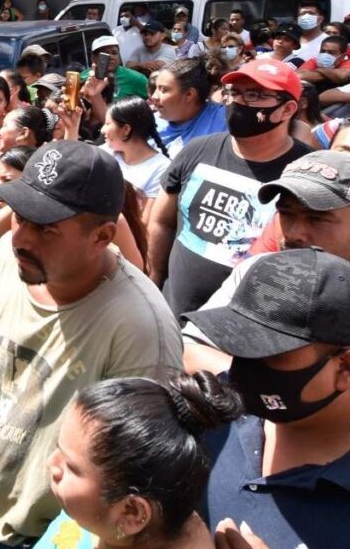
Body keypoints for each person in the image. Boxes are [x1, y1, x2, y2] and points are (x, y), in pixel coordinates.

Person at [0, 141, 182, 548]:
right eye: (20, 217)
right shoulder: (8, 255)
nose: (21, 237)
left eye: (46, 227)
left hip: (49, 534)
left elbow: (132, 469)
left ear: (103, 236)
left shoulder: (140, 328)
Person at [182, 248, 350, 549]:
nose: (246, 368)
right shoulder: (216, 411)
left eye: (271, 353)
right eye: (240, 346)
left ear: (345, 366)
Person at [148, 58, 313, 317]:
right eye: (234, 92)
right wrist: (155, 279)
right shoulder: (198, 149)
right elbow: (162, 221)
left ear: (287, 109)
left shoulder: (305, 173)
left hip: (243, 329)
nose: (238, 102)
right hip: (172, 315)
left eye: (254, 95)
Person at [181, 150, 350, 374]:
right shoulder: (262, 271)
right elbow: (190, 349)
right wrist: (267, 391)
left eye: (317, 219)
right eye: (286, 214)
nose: (294, 233)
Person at [35, 371, 241, 548]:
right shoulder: (103, 520)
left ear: (132, 512)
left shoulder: (104, 522)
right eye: (58, 449)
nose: (52, 464)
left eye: (71, 467)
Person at [102, 97, 172, 221]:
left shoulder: (161, 168)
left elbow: (145, 224)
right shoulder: (106, 152)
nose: (102, 130)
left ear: (126, 129)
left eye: (107, 124)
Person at [154, 58, 229, 155]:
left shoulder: (224, 120)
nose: (154, 97)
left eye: (163, 90)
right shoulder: (147, 123)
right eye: (156, 88)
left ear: (189, 94)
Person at [80, 36, 149, 102]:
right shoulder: (83, 78)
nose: (111, 57)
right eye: (105, 54)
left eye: (114, 53)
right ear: (93, 58)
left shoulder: (136, 78)